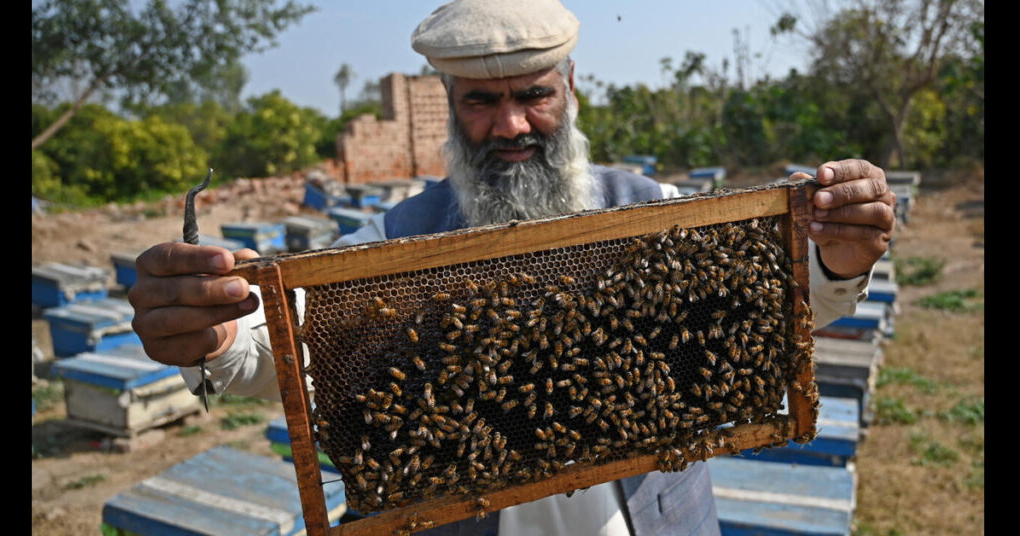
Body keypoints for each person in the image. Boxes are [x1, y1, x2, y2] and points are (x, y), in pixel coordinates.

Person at [128, 1, 896, 534]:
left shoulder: (654, 208)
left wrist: (838, 254)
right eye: (479, 102)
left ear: (572, 88)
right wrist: (212, 333)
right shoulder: (390, 242)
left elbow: (774, 306)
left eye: (533, 95)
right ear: (449, 103)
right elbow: (278, 347)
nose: (510, 124)